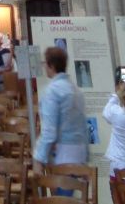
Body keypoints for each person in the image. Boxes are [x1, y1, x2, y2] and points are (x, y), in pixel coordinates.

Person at [32, 46, 88, 174]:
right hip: (79, 150)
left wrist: (39, 158)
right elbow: (83, 126)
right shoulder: (76, 89)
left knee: (63, 187)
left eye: (45, 63)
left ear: (51, 65)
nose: (44, 67)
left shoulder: (52, 91)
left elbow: (49, 131)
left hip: (63, 153)